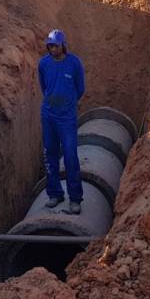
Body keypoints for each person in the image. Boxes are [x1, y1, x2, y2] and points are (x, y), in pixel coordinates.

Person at [38, 29, 86, 215]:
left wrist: (67, 103)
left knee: (70, 157)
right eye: (50, 46)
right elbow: (44, 87)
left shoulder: (74, 63)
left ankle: (75, 199)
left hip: (67, 118)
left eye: (55, 45)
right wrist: (54, 102)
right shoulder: (43, 63)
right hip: (48, 115)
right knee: (50, 155)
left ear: (63, 45)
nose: (52, 49)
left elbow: (80, 88)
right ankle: (55, 194)